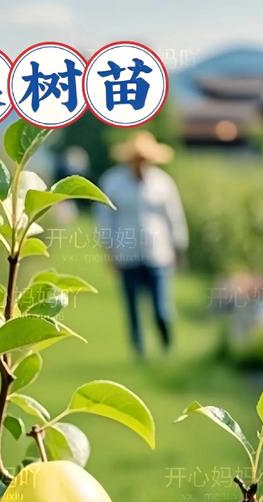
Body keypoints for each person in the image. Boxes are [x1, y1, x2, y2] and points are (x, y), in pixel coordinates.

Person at [96, 132, 188, 358]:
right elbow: (105, 220)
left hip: (158, 253)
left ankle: (167, 344)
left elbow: (174, 216)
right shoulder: (113, 182)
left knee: (161, 307)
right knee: (132, 307)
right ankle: (138, 350)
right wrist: (110, 253)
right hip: (127, 254)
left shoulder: (163, 183)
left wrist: (179, 248)